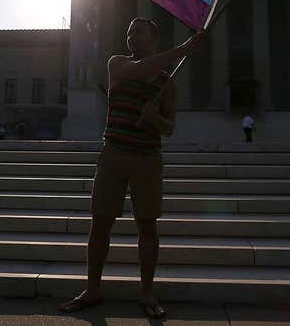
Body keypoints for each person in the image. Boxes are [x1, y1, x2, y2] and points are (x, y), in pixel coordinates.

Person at [58, 17, 205, 319]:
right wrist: (184, 49)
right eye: (129, 33)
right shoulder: (117, 64)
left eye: (138, 32)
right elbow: (138, 70)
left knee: (147, 226)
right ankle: (93, 288)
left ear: (153, 38)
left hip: (147, 158)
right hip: (113, 151)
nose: (132, 37)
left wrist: (153, 118)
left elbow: (169, 127)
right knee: (100, 223)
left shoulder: (167, 83)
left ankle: (147, 291)